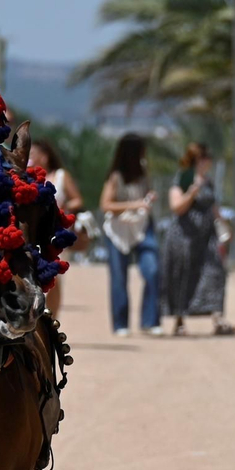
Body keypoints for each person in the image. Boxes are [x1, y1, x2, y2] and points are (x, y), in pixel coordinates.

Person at [161, 143, 235, 335]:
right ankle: (179, 320)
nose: (209, 161)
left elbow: (213, 207)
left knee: (216, 273)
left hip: (207, 238)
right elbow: (176, 206)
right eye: (205, 158)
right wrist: (191, 194)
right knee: (183, 277)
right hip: (185, 237)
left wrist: (224, 225)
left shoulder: (208, 181)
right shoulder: (184, 178)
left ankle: (217, 318)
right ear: (197, 160)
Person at [99, 134, 161, 337]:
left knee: (152, 269)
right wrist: (134, 204)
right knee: (119, 277)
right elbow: (106, 205)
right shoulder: (115, 176)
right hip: (118, 230)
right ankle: (120, 323)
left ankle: (150, 320)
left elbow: (147, 195)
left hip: (142, 227)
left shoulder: (144, 173)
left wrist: (150, 198)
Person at [28, 139, 84, 318]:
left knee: (54, 275)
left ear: (44, 157)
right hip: (35, 231)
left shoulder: (61, 175)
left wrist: (62, 208)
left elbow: (78, 200)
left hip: (56, 231)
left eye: (32, 154)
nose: (29, 158)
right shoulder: (27, 176)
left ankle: (52, 316)